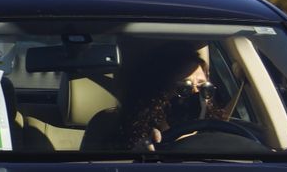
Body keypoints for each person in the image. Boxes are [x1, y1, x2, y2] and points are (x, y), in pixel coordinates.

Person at [88, 41, 222, 152]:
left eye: (204, 87)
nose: (196, 94)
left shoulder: (221, 136)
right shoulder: (119, 136)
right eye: (184, 88)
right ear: (158, 94)